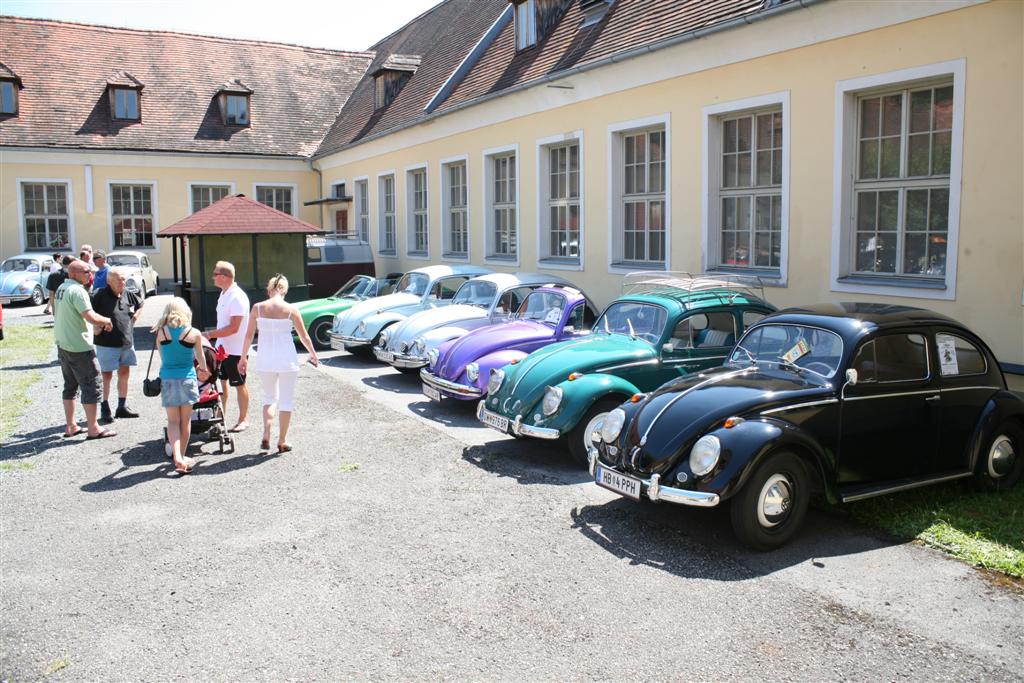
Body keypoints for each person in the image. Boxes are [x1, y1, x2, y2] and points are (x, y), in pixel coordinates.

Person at [238, 274, 318, 453]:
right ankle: (282, 440)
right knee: (286, 401)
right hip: (287, 359)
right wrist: (313, 353)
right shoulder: (291, 309)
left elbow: (249, 335)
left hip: (265, 359)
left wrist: (242, 357)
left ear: (269, 289)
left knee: (269, 398)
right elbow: (303, 336)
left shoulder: (257, 308)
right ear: (285, 290)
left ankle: (267, 431)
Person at [53, 259, 116, 439]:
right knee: (91, 386)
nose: (91, 275)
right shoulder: (77, 291)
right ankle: (93, 428)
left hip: (64, 343)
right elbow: (90, 317)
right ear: (73, 274)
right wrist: (106, 321)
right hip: (79, 346)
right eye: (87, 272)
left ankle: (71, 426)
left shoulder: (62, 288)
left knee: (70, 386)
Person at [153, 298, 209, 475]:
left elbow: (163, 358)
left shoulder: (161, 333)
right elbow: (201, 360)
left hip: (168, 379)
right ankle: (182, 456)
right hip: (187, 379)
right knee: (186, 421)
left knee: (172, 421)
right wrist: (203, 370)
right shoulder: (194, 333)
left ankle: (177, 455)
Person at [91, 267, 143, 424]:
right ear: (109, 281)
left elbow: (141, 304)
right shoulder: (99, 294)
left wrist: (134, 318)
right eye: (119, 279)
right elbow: (86, 312)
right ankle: (104, 407)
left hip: (126, 342)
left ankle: (122, 406)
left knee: (124, 372)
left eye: (124, 279)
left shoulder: (127, 293)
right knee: (106, 375)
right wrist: (96, 326)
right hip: (106, 343)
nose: (123, 282)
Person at [203, 261, 250, 432]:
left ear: (223, 277)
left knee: (239, 384)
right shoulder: (224, 293)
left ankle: (243, 419)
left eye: (215, 274)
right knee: (220, 384)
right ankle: (220, 419)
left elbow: (234, 328)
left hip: (236, 350)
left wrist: (209, 335)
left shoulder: (237, 296)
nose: (212, 277)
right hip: (221, 348)